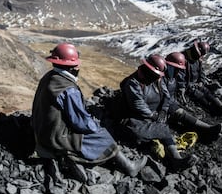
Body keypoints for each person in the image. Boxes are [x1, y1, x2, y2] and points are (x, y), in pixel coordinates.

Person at [31, 42, 147, 182]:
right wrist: (96, 127)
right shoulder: (68, 89)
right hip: (54, 137)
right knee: (104, 136)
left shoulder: (50, 77)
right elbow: (80, 123)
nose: (78, 67)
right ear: (71, 66)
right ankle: (129, 167)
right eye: (76, 64)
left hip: (41, 130)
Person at [118, 54, 198, 170]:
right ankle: (175, 159)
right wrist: (154, 115)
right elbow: (138, 105)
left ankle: (175, 156)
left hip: (151, 117)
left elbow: (166, 97)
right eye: (156, 74)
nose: (158, 77)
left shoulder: (157, 80)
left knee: (162, 127)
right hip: (133, 119)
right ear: (148, 69)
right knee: (158, 129)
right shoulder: (133, 83)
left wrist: (164, 111)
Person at [163, 52, 222, 143]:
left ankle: (207, 128)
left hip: (168, 104)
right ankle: (207, 130)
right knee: (180, 113)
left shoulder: (171, 77)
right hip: (162, 108)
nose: (178, 72)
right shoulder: (162, 78)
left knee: (181, 112)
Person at [177, 41, 222, 116]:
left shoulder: (197, 60)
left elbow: (201, 71)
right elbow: (180, 76)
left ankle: (221, 106)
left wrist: (201, 81)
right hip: (188, 86)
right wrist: (184, 86)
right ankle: (214, 110)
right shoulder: (183, 59)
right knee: (200, 96)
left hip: (197, 83)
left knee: (207, 92)